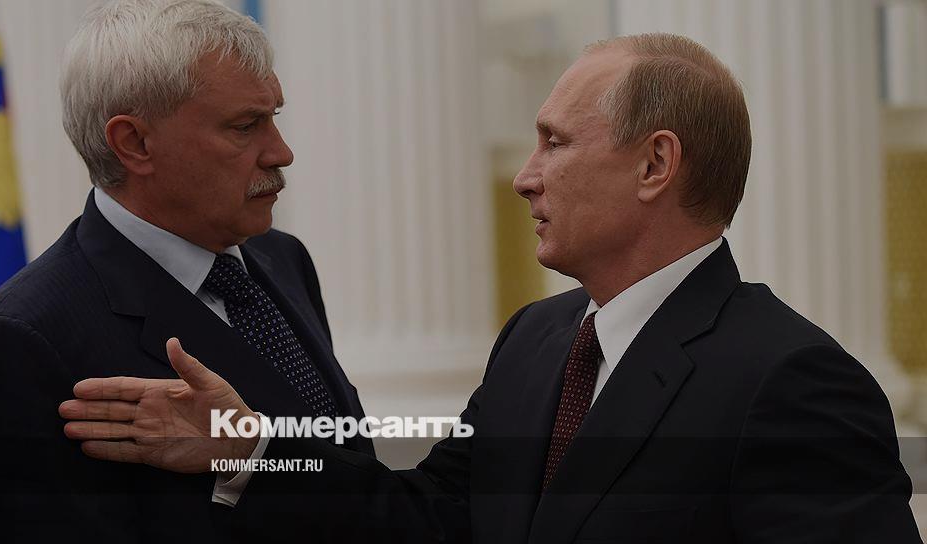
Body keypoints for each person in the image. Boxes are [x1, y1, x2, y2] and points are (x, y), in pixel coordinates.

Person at [58, 33, 922, 542]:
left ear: (655, 164)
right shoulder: (536, 343)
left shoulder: (792, 381)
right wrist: (252, 450)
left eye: (555, 142)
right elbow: (422, 518)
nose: (524, 176)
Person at [0, 1, 374, 542]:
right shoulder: (24, 336)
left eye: (274, 116)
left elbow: (341, 461)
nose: (281, 152)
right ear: (134, 144)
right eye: (246, 126)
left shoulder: (282, 258)